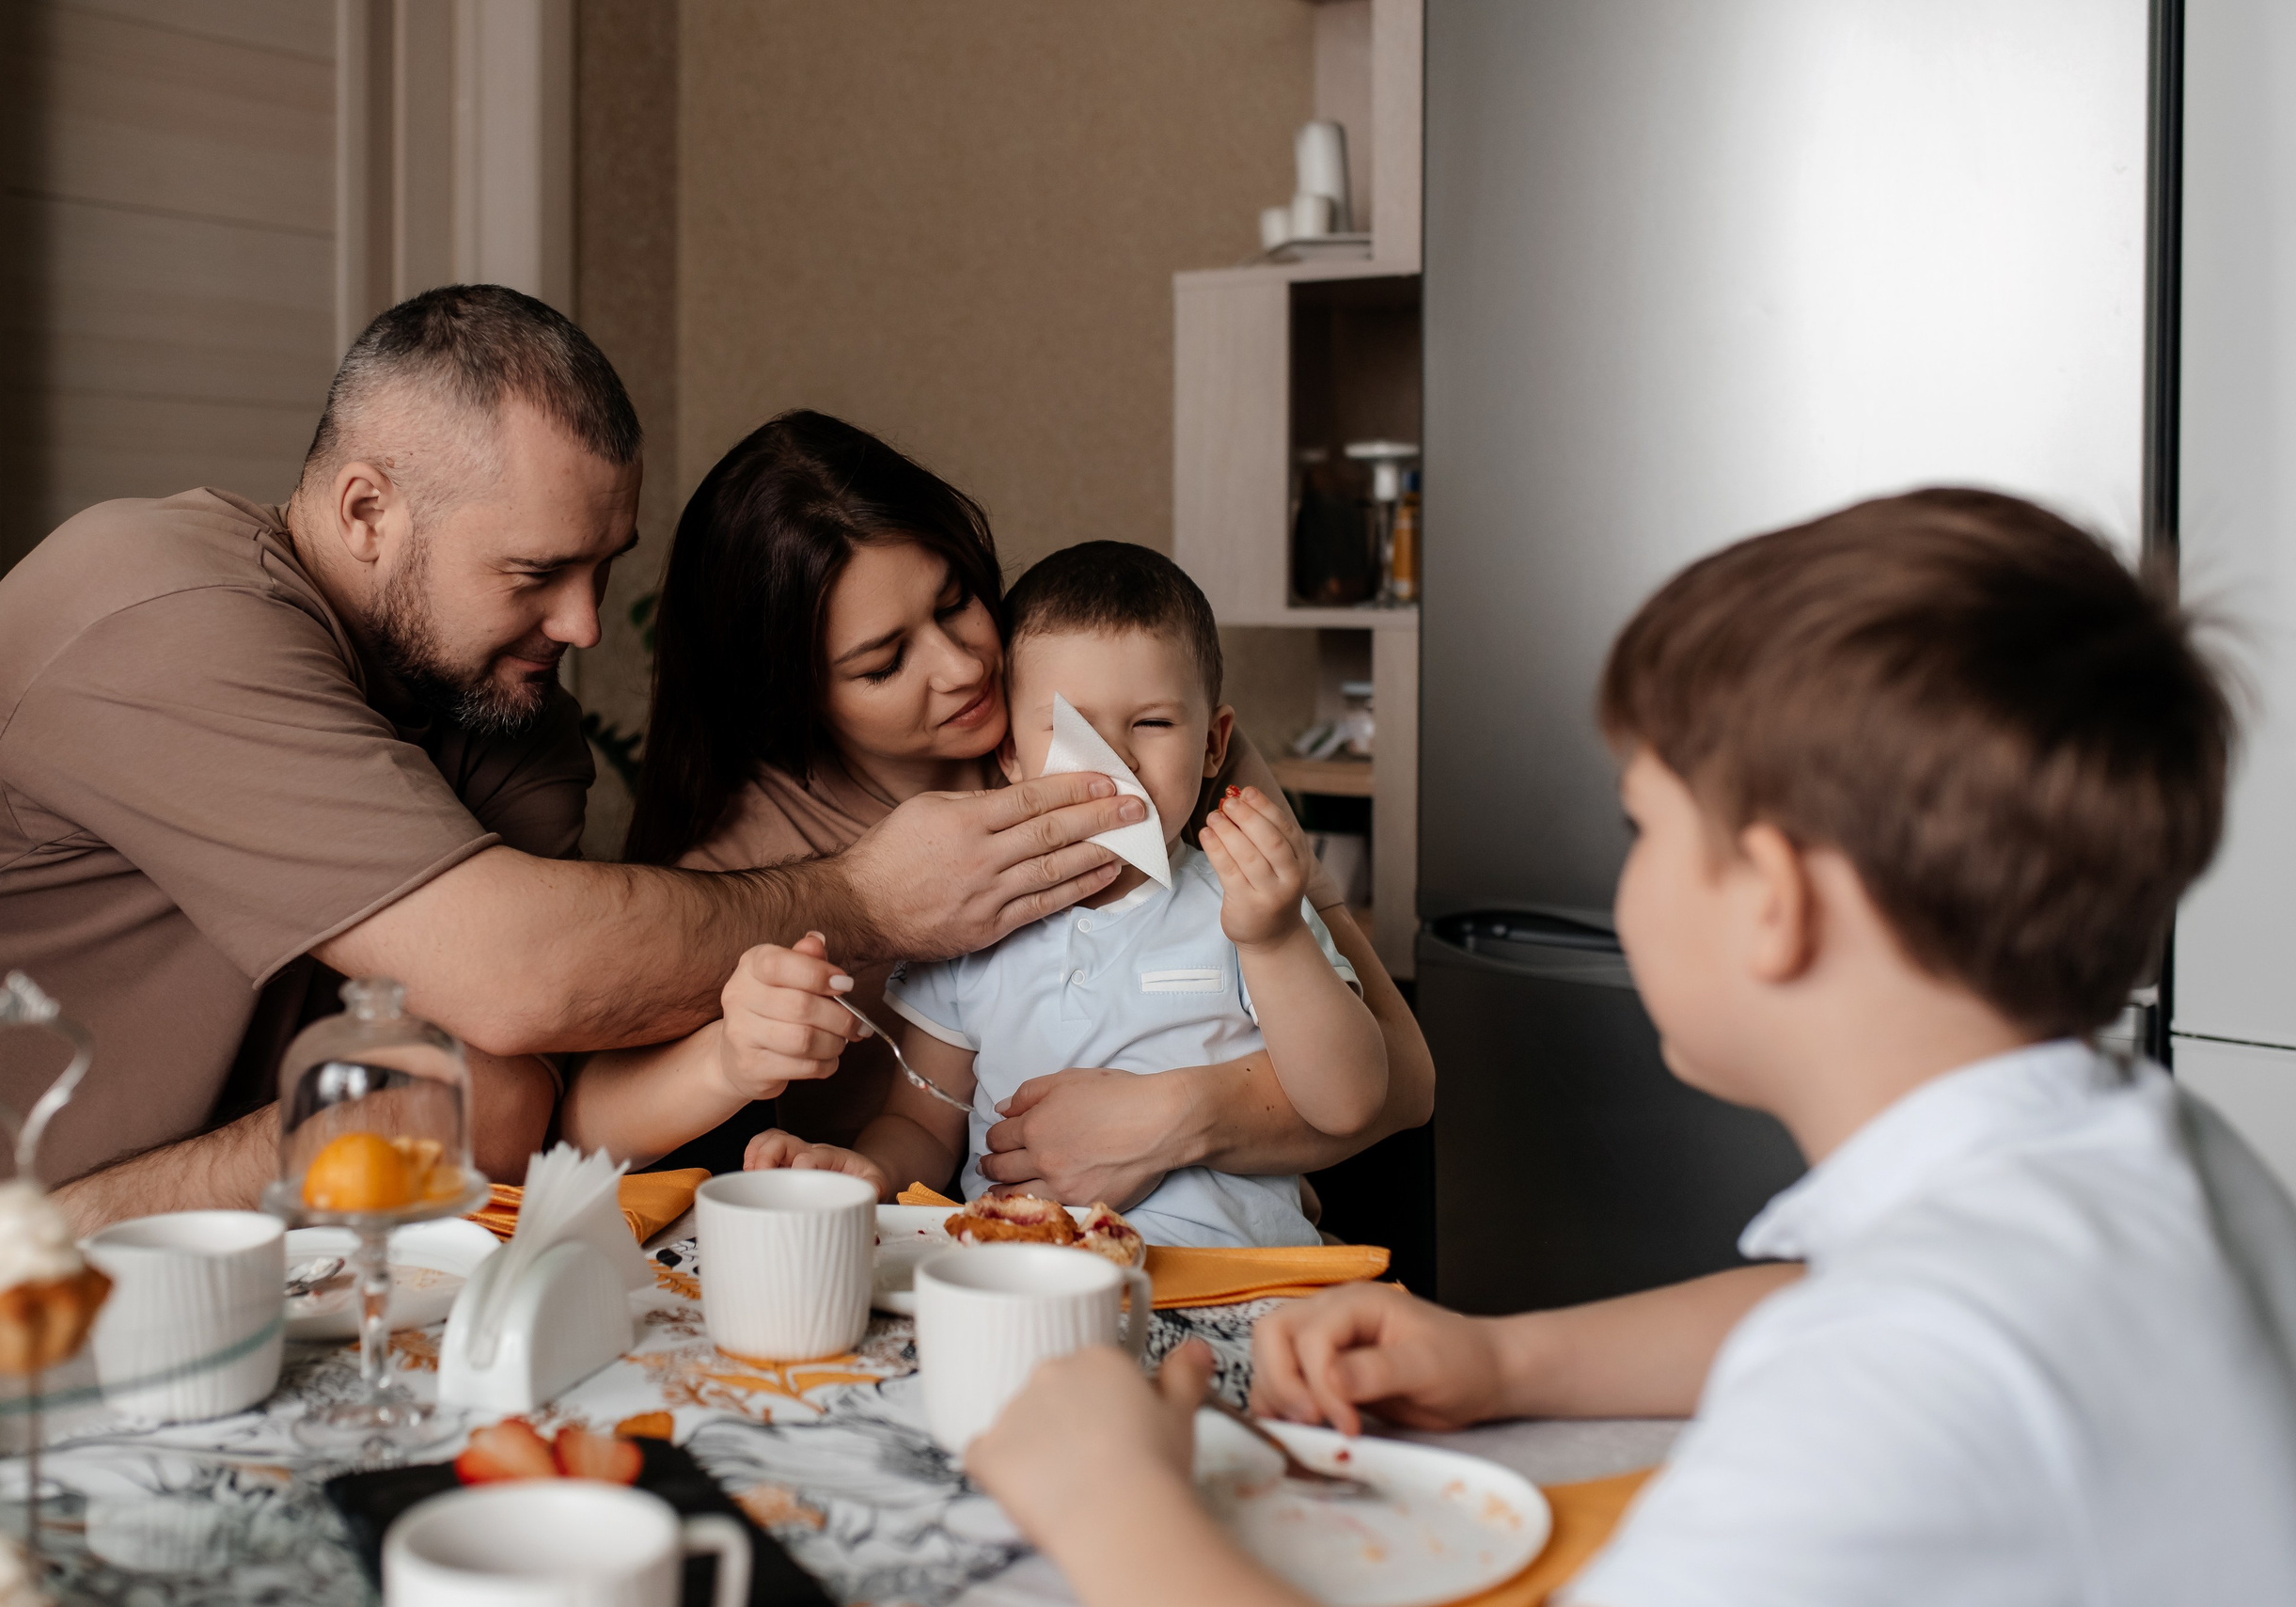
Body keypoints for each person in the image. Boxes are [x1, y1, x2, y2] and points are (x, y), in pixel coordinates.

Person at [966, 489, 2296, 1604]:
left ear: (1772, 901)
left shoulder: (1890, 1403)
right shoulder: (2142, 1144)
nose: (1627, 869)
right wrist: (1508, 1360)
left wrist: (1116, 1504)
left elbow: (1881, 1342)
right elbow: (1841, 1295)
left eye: (1643, 825)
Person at [0, 291, 1149, 1262]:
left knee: (478, 1091)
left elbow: (501, 1076)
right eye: (537, 573)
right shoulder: (149, 599)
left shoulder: (505, 713)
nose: (589, 625)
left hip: (232, 1255)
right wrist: (873, 898)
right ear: (369, 510)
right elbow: (522, 976)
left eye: (604, 565)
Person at [558, 412, 1431, 1208]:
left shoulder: (1140, 728)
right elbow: (587, 1122)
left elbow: (1403, 1083)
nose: (965, 667)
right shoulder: (757, 859)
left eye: (954, 603)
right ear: (793, 699)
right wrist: (733, 1056)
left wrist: (1174, 1117)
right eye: (884, 661)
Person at [748, 544, 1387, 1245]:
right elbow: (922, 1120)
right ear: (1013, 757)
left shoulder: (1254, 905)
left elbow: (1351, 1100)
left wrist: (1273, 939)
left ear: (1213, 744)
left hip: (1226, 1281)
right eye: (1071, 730)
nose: (1117, 761)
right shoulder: (969, 922)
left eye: (1152, 723)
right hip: (1022, 1272)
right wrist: (865, 1171)